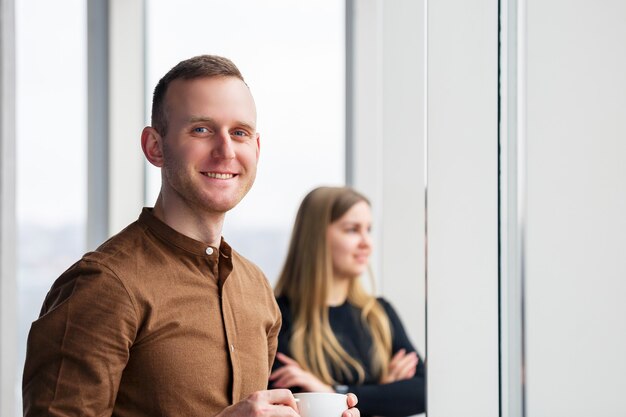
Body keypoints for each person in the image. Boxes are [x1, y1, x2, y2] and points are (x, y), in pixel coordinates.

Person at [22, 55, 359, 417]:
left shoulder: (257, 289)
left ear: (256, 150)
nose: (226, 151)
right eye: (201, 130)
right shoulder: (103, 284)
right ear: (154, 147)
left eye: (240, 133)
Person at [269, 186, 426, 417]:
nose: (367, 243)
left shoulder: (379, 314)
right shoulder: (276, 316)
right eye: (352, 230)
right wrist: (381, 392)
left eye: (368, 230)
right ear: (316, 238)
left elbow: (421, 392)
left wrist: (332, 392)